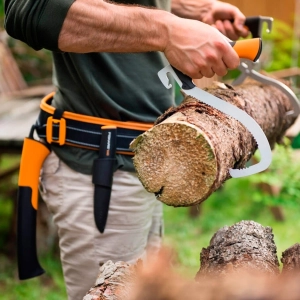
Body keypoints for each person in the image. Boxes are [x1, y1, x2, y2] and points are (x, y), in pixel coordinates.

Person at [4, 0, 249, 299]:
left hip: (145, 162)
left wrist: (191, 12)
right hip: (103, 168)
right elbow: (31, 10)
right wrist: (168, 31)